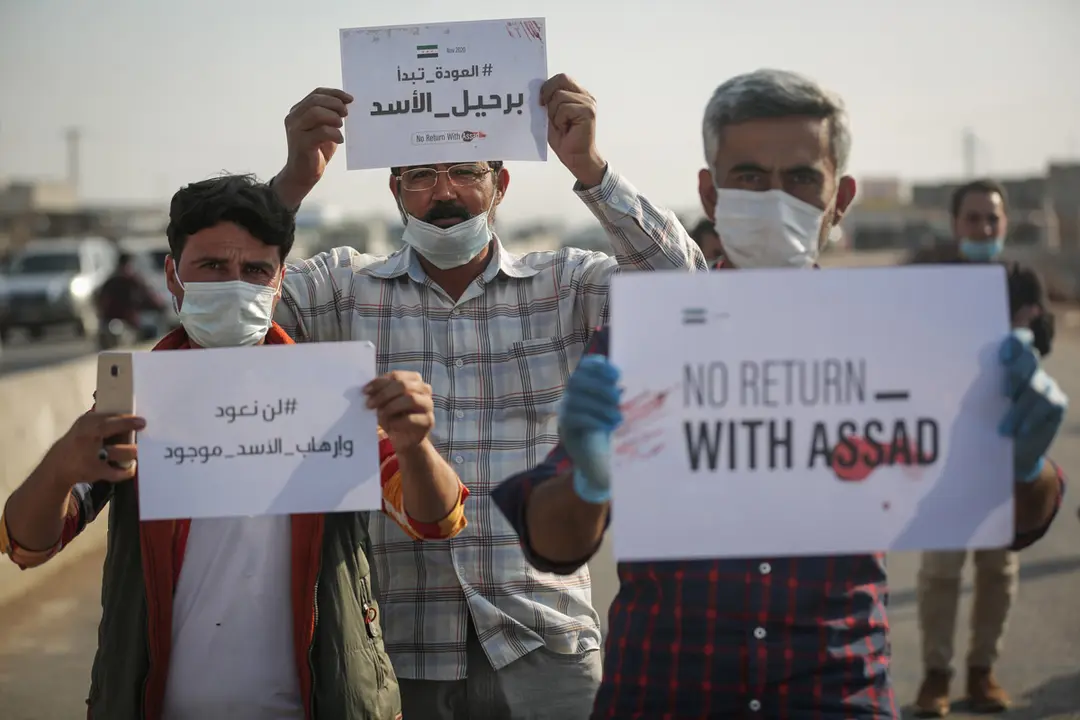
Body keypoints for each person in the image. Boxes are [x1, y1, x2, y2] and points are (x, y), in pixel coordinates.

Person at [490, 68, 1070, 719]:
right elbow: (556, 541)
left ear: (839, 197)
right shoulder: (646, 343)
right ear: (710, 193)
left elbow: (1018, 515)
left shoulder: (901, 342)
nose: (774, 198)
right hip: (667, 689)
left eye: (800, 178)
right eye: (749, 178)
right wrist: (588, 482)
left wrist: (1024, 462)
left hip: (836, 689)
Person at [268, 74, 706, 718]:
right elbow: (224, 315)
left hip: (544, 634)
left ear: (500, 185)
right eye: (420, 174)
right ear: (396, 192)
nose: (444, 192)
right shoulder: (341, 288)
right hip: (394, 644)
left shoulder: (564, 286)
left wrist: (590, 167)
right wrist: (290, 184)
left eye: (465, 172)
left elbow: (688, 293)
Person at [0, 174, 472, 720]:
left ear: (279, 282)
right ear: (174, 277)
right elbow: (27, 545)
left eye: (254, 271)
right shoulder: (133, 400)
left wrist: (415, 447)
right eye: (213, 267)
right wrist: (60, 467)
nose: (235, 284)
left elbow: (437, 519)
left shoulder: (324, 396)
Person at [910, 179, 1056, 715]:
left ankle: (982, 672)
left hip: (1007, 445)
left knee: (998, 569)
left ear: (1004, 224)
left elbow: (1042, 340)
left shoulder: (1023, 280)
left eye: (992, 219)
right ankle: (936, 676)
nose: (983, 228)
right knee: (941, 571)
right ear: (955, 224)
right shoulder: (932, 277)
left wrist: (1022, 335)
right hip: (946, 446)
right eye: (973, 219)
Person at [94, 251, 167, 341]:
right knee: (153, 327)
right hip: (124, 319)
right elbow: (146, 297)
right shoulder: (128, 281)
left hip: (114, 319)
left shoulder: (111, 281)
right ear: (127, 265)